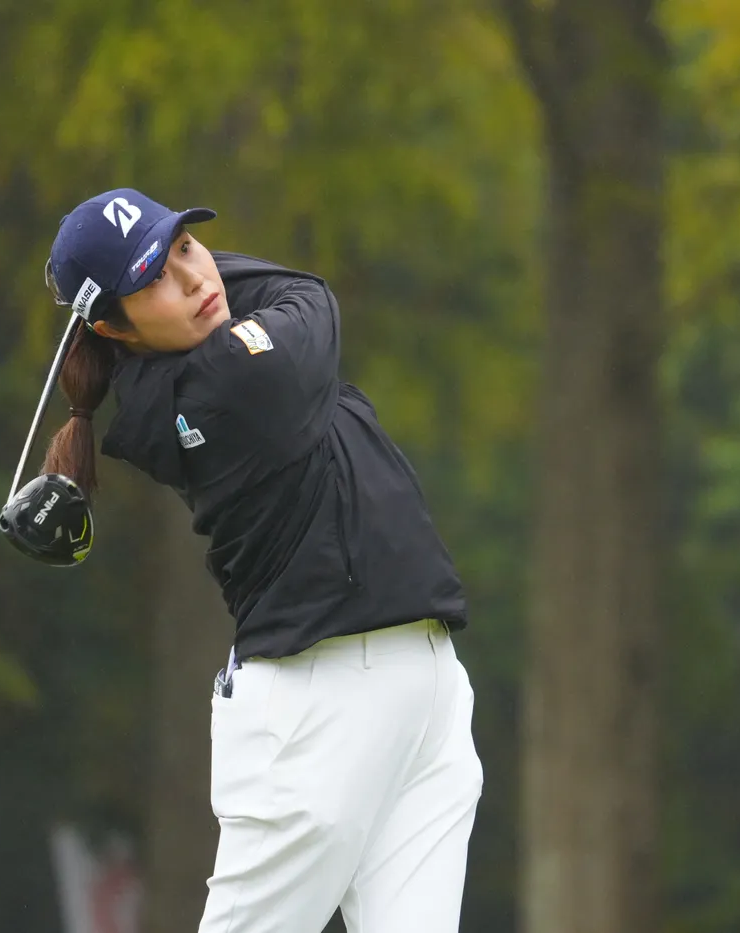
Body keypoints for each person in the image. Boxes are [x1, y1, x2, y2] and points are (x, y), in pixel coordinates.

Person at [39, 188, 483, 933]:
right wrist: (179, 265)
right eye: (155, 278)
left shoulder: (208, 348)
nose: (194, 279)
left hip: (423, 688)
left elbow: (254, 292)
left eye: (187, 247)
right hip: (317, 703)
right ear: (112, 326)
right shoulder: (223, 384)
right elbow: (307, 294)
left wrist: (162, 264)